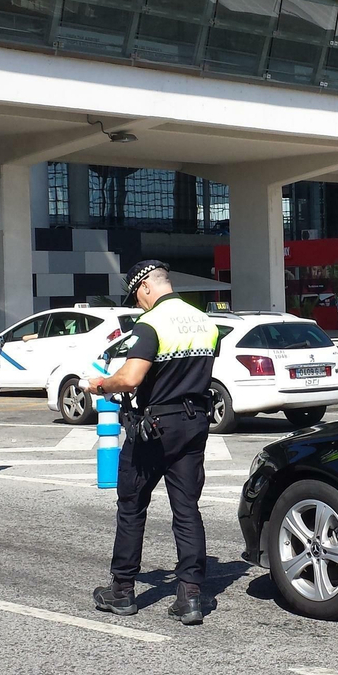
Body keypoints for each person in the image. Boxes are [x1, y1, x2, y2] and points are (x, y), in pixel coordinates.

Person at [87, 260, 220, 626]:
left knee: (131, 506)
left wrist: (97, 385)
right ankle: (190, 596)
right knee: (187, 509)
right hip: (195, 423)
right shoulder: (205, 322)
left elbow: (131, 379)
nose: (138, 304)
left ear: (145, 287)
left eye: (137, 296)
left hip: (155, 427)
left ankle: (122, 591)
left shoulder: (151, 324)